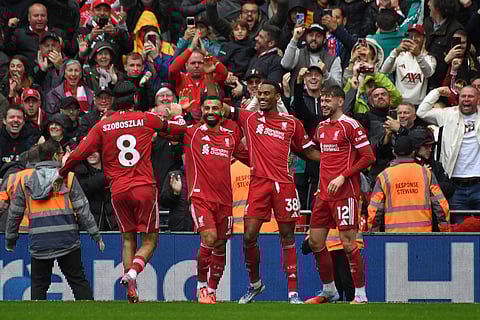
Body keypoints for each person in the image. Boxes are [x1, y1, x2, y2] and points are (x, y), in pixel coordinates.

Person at [59, 80, 183, 303]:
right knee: (150, 240)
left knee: (127, 239)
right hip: (143, 187)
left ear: (115, 101)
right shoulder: (146, 118)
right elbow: (178, 130)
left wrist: (62, 173)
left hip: (118, 191)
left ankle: (130, 292)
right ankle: (132, 273)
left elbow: (78, 154)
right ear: (135, 98)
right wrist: (178, 113)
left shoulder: (103, 126)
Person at [224, 80, 321, 304]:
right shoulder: (250, 119)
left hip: (284, 185)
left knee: (287, 236)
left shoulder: (291, 123)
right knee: (249, 235)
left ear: (278, 97)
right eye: (260, 94)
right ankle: (255, 284)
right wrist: (214, 76)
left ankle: (293, 292)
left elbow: (307, 152)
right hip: (258, 184)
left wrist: (334, 160)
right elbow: (220, 108)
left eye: (267, 94)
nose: (263, 97)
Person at [171, 90, 248, 304]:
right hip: (201, 198)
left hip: (225, 200)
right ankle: (201, 288)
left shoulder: (230, 136)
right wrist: (177, 114)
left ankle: (212, 290)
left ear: (222, 110)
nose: (211, 112)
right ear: (201, 110)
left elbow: (249, 158)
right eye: (207, 108)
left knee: (221, 245)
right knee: (209, 238)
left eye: (215, 108)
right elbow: (168, 129)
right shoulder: (192, 133)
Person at [4, 138, 105, 300]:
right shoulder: (68, 178)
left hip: (39, 240)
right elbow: (83, 208)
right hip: (67, 239)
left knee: (39, 285)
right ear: (54, 157)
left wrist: (10, 239)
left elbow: (14, 213)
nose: (62, 156)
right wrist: (95, 234)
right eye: (61, 153)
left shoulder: (26, 181)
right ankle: (89, 315)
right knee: (78, 281)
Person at [305, 85, 375, 305]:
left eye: (328, 100)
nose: (324, 104)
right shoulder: (321, 127)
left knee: (348, 244)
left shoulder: (351, 125)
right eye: (322, 101)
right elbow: (318, 151)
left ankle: (360, 294)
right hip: (323, 194)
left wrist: (343, 176)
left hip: (345, 193)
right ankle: (329, 291)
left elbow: (368, 157)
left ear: (339, 101)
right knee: (315, 242)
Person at [417, 86, 480, 223]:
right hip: (455, 184)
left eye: (470, 96)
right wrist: (437, 92)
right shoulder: (447, 114)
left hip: (478, 183)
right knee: (458, 231)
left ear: (478, 99)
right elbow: (422, 112)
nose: (466, 99)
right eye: (463, 96)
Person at [368, 135, 450, 232]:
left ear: (394, 153)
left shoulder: (384, 176)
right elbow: (441, 206)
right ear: (413, 153)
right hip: (423, 235)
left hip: (393, 237)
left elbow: (375, 210)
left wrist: (374, 233)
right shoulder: (426, 174)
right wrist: (445, 231)